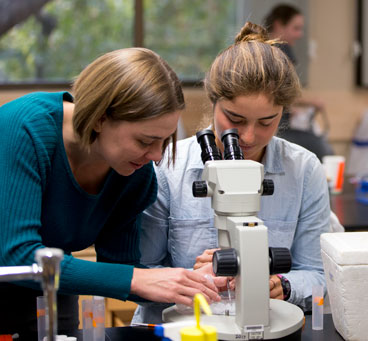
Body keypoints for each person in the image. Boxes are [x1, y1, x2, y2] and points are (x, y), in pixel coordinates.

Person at [0, 48, 222, 336]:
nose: (156, 156)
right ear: (99, 118)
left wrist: (187, 283)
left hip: (50, 292)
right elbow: (17, 255)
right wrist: (136, 279)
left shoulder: (133, 174)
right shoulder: (23, 129)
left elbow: (120, 268)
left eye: (165, 141)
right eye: (145, 140)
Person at [132, 22, 331, 324]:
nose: (249, 137)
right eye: (235, 119)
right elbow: (139, 273)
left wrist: (282, 285)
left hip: (262, 323)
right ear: (213, 102)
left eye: (266, 122)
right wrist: (187, 279)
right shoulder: (166, 166)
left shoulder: (303, 170)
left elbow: (318, 274)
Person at [264, 3, 333, 161]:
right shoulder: (280, 50)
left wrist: (290, 108)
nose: (300, 34)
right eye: (296, 28)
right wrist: (312, 102)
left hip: (271, 126)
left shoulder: (259, 49)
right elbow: (280, 92)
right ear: (279, 25)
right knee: (323, 151)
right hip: (277, 129)